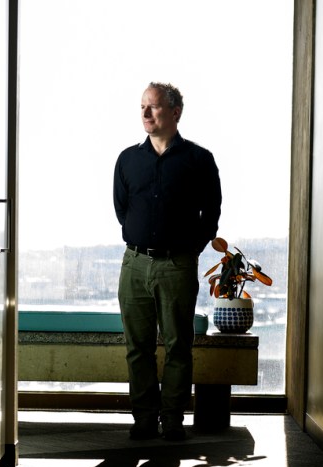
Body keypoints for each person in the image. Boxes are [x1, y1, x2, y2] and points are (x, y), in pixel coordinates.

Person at [113, 82, 222, 441]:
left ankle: (172, 421)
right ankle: (144, 419)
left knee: (178, 344)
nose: (145, 113)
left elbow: (211, 213)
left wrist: (190, 249)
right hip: (134, 265)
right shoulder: (128, 160)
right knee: (137, 347)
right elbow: (122, 209)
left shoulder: (199, 160)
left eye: (154, 107)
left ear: (175, 112)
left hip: (178, 265)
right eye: (142, 106)